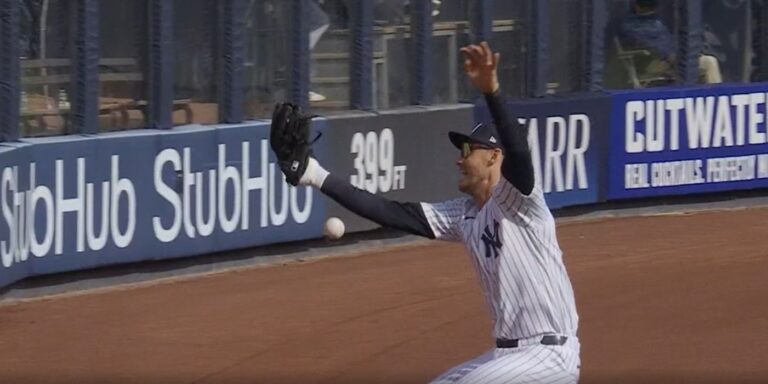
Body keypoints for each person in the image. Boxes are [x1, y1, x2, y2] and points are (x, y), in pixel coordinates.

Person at [271, 42, 581, 383]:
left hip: (548, 354)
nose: (459, 159)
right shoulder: (463, 215)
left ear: (494, 156)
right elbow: (388, 212)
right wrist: (314, 175)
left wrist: (491, 91)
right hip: (506, 356)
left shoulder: (520, 203)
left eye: (467, 150)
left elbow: (519, 154)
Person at [618, 0, 722, 84]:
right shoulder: (629, 26)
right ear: (636, 5)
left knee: (709, 60)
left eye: (651, 4)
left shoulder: (657, 22)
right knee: (708, 62)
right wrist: (668, 56)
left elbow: (671, 42)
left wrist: (685, 54)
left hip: (674, 59)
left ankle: (716, 97)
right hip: (652, 63)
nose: (649, 7)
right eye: (645, 4)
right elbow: (641, 46)